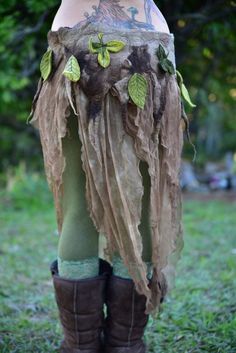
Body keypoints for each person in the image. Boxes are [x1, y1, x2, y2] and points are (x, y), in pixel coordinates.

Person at [27, 0, 184, 352]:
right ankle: (125, 345)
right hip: (149, 44)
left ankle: (80, 346)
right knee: (141, 208)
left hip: (77, 42)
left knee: (78, 209)